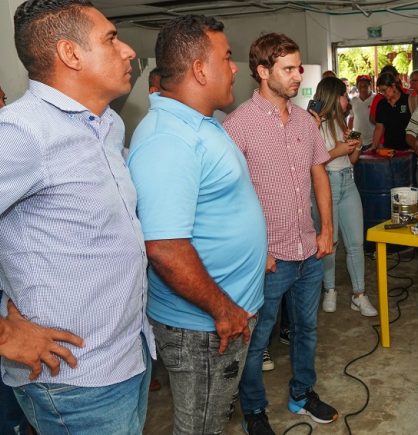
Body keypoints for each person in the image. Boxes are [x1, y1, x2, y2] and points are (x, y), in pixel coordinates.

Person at [0, 0, 155, 432]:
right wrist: (1, 333)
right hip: (76, 379)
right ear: (71, 54)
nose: (129, 51)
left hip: (128, 353)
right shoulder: (22, 133)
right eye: (111, 39)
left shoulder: (108, 125)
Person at [127, 15, 265, 434]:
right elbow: (165, 248)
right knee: (200, 427)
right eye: (226, 57)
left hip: (220, 316)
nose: (235, 66)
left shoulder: (201, 123)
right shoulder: (170, 139)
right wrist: (224, 310)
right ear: (200, 69)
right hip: (205, 327)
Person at [223, 32, 337, 435]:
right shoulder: (238, 126)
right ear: (262, 71)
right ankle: (254, 409)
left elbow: (319, 173)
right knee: (256, 341)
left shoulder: (306, 121)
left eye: (298, 67)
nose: (297, 75)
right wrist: (255, 250)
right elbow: (230, 199)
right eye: (288, 69)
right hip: (268, 258)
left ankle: (302, 394)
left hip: (308, 250)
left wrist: (326, 229)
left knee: (307, 330)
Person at [0, 69, 32, 435]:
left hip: (10, 280)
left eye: (3, 100)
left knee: (19, 378)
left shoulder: (5, 153)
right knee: (9, 378)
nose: (4, 110)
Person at [312, 77, 378, 316]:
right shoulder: (314, 124)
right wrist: (337, 150)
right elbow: (309, 161)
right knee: (331, 241)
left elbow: (350, 161)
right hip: (326, 184)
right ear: (333, 96)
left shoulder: (343, 123)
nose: (347, 99)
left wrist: (356, 146)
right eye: (343, 95)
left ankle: (359, 295)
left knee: (356, 243)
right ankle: (329, 290)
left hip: (348, 182)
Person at [372, 72, 412, 151]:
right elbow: (379, 128)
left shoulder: (409, 100)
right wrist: (373, 147)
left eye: (384, 90)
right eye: (381, 92)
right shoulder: (382, 104)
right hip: (389, 150)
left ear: (393, 85)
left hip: (408, 150)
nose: (383, 94)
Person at [348, 74, 375, 149]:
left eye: (365, 86)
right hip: (357, 140)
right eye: (360, 86)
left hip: (373, 141)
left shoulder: (376, 98)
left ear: (370, 86)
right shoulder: (353, 100)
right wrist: (349, 138)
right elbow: (351, 119)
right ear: (357, 87)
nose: (363, 89)